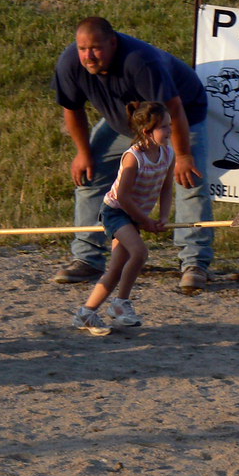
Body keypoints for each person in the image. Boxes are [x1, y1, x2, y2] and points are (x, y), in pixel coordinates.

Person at [51, 16, 213, 292]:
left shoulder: (141, 62)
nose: (88, 56)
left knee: (189, 180)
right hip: (124, 120)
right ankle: (87, 258)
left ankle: (194, 262)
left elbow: (174, 109)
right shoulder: (70, 64)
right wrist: (83, 152)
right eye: (82, 49)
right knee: (92, 174)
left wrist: (183, 156)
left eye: (96, 48)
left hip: (177, 116)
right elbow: (72, 109)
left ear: (113, 43)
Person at [73, 101, 173, 335]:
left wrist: (164, 216)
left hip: (136, 215)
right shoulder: (133, 157)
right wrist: (145, 221)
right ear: (147, 131)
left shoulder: (168, 153)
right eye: (165, 127)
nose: (170, 131)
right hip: (117, 211)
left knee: (117, 267)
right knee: (139, 253)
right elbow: (124, 197)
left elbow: (167, 188)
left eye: (170, 125)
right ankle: (121, 303)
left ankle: (86, 313)